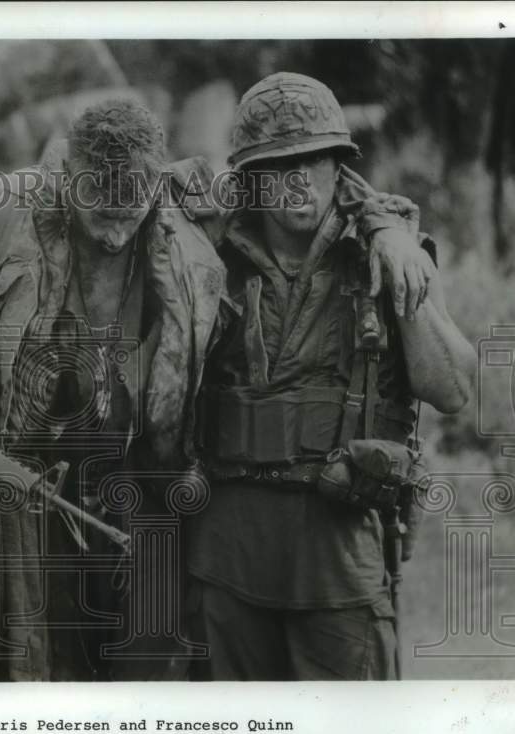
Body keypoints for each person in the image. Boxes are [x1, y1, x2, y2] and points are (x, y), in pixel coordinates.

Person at [0, 95, 432, 681]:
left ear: (156, 186)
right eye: (99, 216)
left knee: (152, 668)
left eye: (131, 213)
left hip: (145, 489)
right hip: (31, 487)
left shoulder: (191, 203)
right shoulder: (10, 205)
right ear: (70, 184)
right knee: (38, 669)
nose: (115, 233)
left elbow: (308, 180)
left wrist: (387, 225)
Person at [185, 72, 475, 681]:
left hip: (339, 545)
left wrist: (396, 258)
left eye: (314, 160)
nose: (298, 180)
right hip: (229, 549)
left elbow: (451, 390)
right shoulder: (208, 251)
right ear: (250, 180)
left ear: (339, 167)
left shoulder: (386, 250)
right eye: (278, 165)